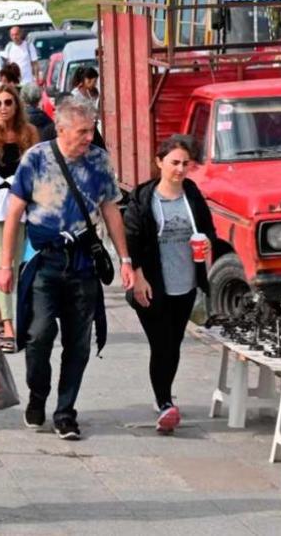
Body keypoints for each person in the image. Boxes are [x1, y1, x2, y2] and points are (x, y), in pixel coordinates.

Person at [0, 96, 135, 440]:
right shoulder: (37, 159)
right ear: (61, 129)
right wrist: (5, 265)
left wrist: (126, 259)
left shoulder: (99, 161)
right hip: (45, 260)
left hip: (84, 263)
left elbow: (111, 209)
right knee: (39, 334)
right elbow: (13, 212)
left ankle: (65, 411)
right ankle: (38, 393)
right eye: (82, 131)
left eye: (91, 130)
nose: (89, 137)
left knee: (79, 342)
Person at [124, 135, 215, 434]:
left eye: (185, 163)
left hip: (185, 282)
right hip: (151, 284)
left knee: (173, 344)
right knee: (160, 342)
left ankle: (164, 394)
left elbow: (208, 230)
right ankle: (165, 402)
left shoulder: (191, 193)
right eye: (174, 162)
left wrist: (206, 246)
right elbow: (132, 238)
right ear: (159, 162)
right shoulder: (143, 198)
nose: (179, 169)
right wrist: (138, 276)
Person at [0, 85, 39, 350]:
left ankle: (1, 314)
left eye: (8, 102)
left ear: (17, 105)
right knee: (2, 261)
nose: (3, 107)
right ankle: (9, 326)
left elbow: (38, 165)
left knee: (15, 265)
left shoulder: (29, 132)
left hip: (22, 205)